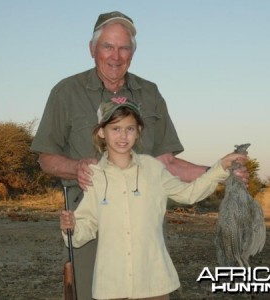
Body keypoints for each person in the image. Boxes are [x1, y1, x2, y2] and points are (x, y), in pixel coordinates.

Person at [31, 11, 248, 299]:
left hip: (142, 219)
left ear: (133, 52)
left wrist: (223, 171)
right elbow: (46, 157)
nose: (116, 56)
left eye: (124, 48)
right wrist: (77, 167)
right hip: (90, 214)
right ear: (92, 49)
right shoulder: (65, 91)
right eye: (108, 46)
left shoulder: (150, 92)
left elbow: (167, 163)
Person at [59, 97, 247, 300]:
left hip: (154, 284)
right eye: (115, 128)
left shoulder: (153, 168)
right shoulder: (93, 176)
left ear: (138, 131)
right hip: (111, 286)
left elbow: (189, 193)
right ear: (102, 132)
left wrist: (220, 167)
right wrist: (71, 226)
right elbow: (83, 230)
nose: (123, 135)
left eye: (130, 129)